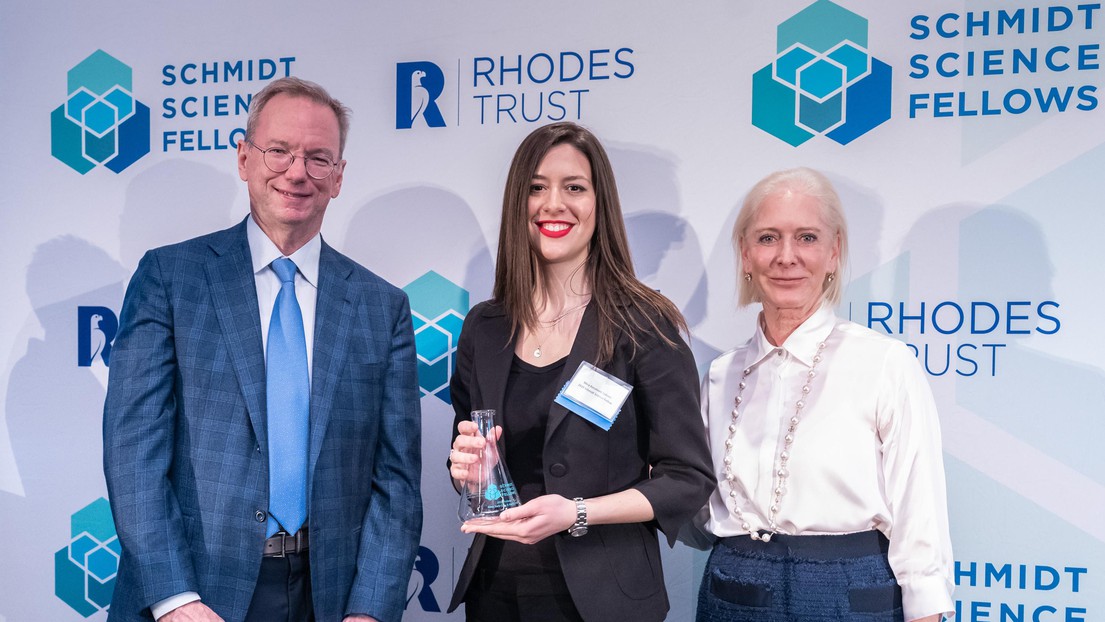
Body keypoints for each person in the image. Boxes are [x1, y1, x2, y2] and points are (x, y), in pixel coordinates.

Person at [103, 77, 422, 622]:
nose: (297, 172)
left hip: (331, 598)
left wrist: (370, 608)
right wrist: (176, 600)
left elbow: (397, 482)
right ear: (245, 157)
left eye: (318, 158)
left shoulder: (381, 306)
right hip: (196, 594)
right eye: (279, 151)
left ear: (339, 177)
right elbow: (134, 455)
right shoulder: (170, 279)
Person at [445, 121, 715, 622]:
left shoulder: (643, 323)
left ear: (600, 204)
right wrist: (470, 471)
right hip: (495, 592)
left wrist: (577, 511)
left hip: (604, 599)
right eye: (536, 188)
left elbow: (687, 478)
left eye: (574, 188)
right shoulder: (485, 326)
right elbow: (467, 456)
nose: (553, 204)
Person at [692, 168, 953, 621]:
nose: (786, 257)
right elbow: (699, 513)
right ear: (745, 255)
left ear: (834, 252)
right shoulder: (719, 375)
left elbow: (920, 516)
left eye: (807, 238)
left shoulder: (885, 364)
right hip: (732, 593)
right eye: (768, 238)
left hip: (850, 596)